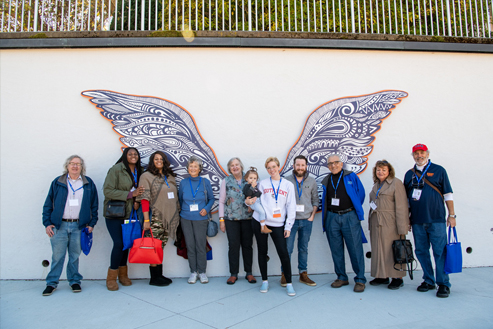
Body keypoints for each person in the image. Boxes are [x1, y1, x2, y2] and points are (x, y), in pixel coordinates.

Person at [403, 144, 456, 298]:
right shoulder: (409, 174)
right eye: (416, 153)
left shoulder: (439, 170)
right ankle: (428, 280)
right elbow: (406, 200)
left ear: (427, 154)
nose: (419, 156)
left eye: (422, 153)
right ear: (413, 155)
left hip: (437, 220)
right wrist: (407, 219)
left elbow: (448, 194)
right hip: (417, 220)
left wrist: (452, 215)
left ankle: (443, 283)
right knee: (421, 251)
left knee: (440, 252)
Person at [42, 155, 98, 296]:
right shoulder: (58, 182)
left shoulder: (88, 183)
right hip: (59, 225)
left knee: (74, 256)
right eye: (72, 163)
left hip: (79, 226)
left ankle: (74, 281)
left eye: (78, 164)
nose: (75, 166)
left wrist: (92, 224)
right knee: (57, 256)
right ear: (67, 166)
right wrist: (47, 223)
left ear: (82, 167)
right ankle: (52, 283)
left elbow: (94, 206)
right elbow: (48, 204)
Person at [246, 156, 297, 296]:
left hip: (278, 224)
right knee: (262, 252)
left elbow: (291, 207)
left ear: (279, 167)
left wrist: (288, 227)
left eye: (274, 166)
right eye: (269, 168)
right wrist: (248, 202)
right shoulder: (262, 184)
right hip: (261, 222)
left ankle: (289, 283)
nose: (271, 169)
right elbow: (252, 200)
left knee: (284, 254)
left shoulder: (288, 185)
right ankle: (265, 281)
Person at [321, 154, 367, 293]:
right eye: (330, 164)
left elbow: (361, 193)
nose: (333, 165)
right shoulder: (326, 179)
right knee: (336, 249)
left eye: (336, 162)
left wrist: (354, 209)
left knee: (355, 248)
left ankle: (360, 279)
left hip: (349, 216)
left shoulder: (351, 176)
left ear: (341, 164)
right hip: (332, 218)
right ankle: (342, 277)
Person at [103, 147, 144, 291]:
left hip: (129, 213)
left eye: (135, 154)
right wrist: (130, 195)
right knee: (119, 243)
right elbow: (107, 190)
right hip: (115, 214)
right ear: (125, 156)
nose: (133, 156)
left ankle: (123, 275)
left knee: (126, 243)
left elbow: (139, 191)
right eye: (130, 154)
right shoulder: (116, 169)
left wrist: (137, 200)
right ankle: (111, 277)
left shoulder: (139, 171)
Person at [137, 151, 181, 286]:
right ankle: (154, 278)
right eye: (156, 159)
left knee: (160, 246)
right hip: (155, 217)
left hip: (168, 218)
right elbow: (144, 198)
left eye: (161, 159)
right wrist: (146, 220)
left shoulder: (169, 176)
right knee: (154, 247)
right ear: (152, 161)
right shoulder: (146, 176)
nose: (159, 161)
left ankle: (159, 275)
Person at [368, 160, 409, 290]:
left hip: (391, 223)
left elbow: (402, 206)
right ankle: (382, 276)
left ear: (389, 171)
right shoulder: (376, 184)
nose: (381, 172)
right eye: (378, 170)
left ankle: (397, 278)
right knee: (379, 250)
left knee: (393, 250)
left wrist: (402, 227)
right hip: (376, 222)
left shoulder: (396, 183)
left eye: (384, 170)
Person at [218, 158, 257, 285]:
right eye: (232, 166)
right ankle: (233, 274)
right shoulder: (226, 181)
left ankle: (249, 273)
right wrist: (221, 220)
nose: (235, 167)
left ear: (241, 165)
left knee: (247, 246)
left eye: (237, 165)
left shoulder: (249, 178)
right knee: (233, 246)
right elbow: (221, 201)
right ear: (230, 168)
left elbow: (257, 195)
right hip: (231, 219)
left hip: (247, 218)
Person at [282, 155, 319, 287]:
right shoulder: (286, 181)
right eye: (298, 165)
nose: (300, 167)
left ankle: (303, 274)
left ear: (306, 166)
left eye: (302, 165)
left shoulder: (312, 181)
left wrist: (312, 216)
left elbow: (315, 200)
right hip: (291, 222)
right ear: (293, 166)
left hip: (306, 220)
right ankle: (285, 274)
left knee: (303, 248)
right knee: (288, 248)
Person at [179, 156, 214, 284]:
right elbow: (180, 200)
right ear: (188, 168)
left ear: (199, 169)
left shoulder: (205, 182)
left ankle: (203, 272)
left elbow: (211, 199)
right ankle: (193, 272)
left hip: (201, 218)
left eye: (195, 166)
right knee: (190, 246)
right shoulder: (183, 183)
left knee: (200, 245)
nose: (193, 168)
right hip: (186, 218)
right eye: (191, 166)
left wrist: (206, 209)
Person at [242, 167, 269, 234]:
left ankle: (264, 225)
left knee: (265, 211)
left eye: (255, 178)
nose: (253, 180)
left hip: (259, 201)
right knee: (262, 212)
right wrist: (252, 187)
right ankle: (263, 227)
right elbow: (248, 194)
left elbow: (258, 193)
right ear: (246, 179)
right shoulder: (247, 186)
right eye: (251, 178)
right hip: (254, 202)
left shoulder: (257, 185)